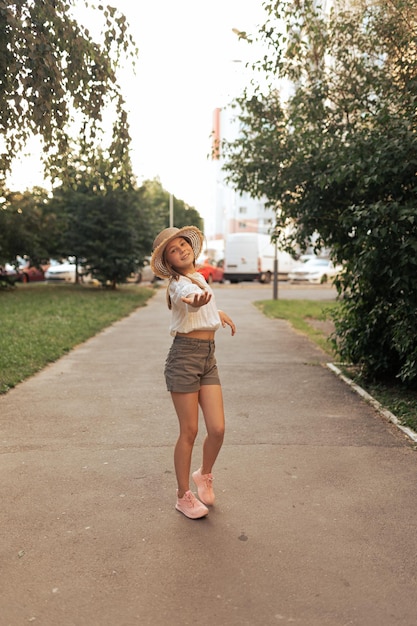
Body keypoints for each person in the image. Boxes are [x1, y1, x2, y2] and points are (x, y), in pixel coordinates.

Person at [150, 226, 236, 519]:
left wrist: (217, 313)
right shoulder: (178, 285)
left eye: (183, 244)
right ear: (170, 262)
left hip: (207, 358)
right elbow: (188, 297)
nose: (182, 250)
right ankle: (182, 495)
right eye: (174, 250)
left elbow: (203, 303)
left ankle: (204, 474)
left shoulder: (197, 277)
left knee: (218, 429)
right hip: (184, 358)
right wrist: (194, 301)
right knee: (189, 430)